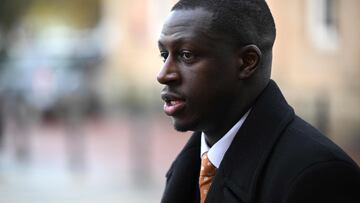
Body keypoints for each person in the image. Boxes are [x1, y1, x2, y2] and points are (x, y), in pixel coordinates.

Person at [156, 0, 360, 203]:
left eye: (186, 55)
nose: (163, 75)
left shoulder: (319, 177)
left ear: (247, 62)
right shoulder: (188, 167)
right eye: (164, 55)